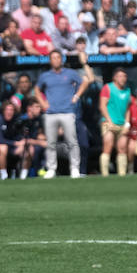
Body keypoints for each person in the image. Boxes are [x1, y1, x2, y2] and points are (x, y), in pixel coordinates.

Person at [35, 50, 86, 178]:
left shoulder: (70, 73)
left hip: (67, 112)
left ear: (61, 60)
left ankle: (75, 168)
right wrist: (43, 103)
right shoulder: (45, 76)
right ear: (50, 60)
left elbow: (84, 82)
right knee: (51, 142)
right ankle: (51, 169)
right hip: (51, 113)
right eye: (53, 58)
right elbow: (36, 89)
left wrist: (77, 96)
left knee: (72, 141)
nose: (56, 60)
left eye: (58, 57)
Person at [98, 68, 132, 177]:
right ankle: (105, 174)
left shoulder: (127, 90)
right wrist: (109, 121)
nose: (123, 79)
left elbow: (128, 109)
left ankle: (122, 174)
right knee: (108, 146)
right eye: (120, 76)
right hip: (109, 123)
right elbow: (102, 106)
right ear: (115, 77)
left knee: (122, 148)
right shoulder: (108, 88)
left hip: (122, 124)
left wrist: (127, 123)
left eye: (124, 76)